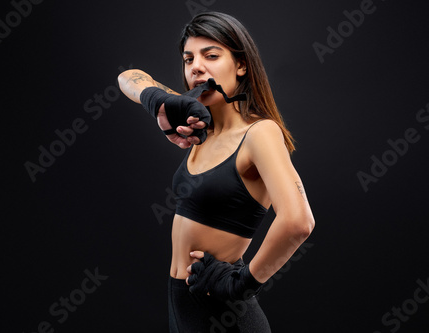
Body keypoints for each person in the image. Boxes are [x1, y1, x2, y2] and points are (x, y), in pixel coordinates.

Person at [118, 11, 315, 332]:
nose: (196, 66)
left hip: (222, 313)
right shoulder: (199, 125)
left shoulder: (259, 133)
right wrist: (160, 101)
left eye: (211, 55)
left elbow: (298, 222)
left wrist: (244, 283)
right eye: (188, 58)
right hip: (182, 303)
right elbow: (128, 76)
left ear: (241, 65)